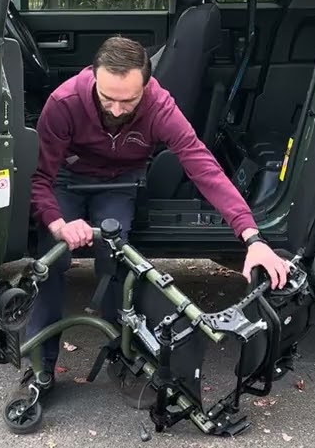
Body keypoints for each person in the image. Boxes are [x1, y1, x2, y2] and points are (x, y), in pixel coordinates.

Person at [24, 36, 290, 403]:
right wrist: (58, 224)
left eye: (128, 101)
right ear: (94, 79)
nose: (117, 110)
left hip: (119, 182)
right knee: (51, 260)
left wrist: (253, 237)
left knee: (118, 259)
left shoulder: (160, 105)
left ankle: (123, 351)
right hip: (67, 180)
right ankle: (39, 365)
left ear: (146, 86)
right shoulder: (65, 102)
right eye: (108, 99)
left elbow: (202, 165)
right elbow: (40, 179)